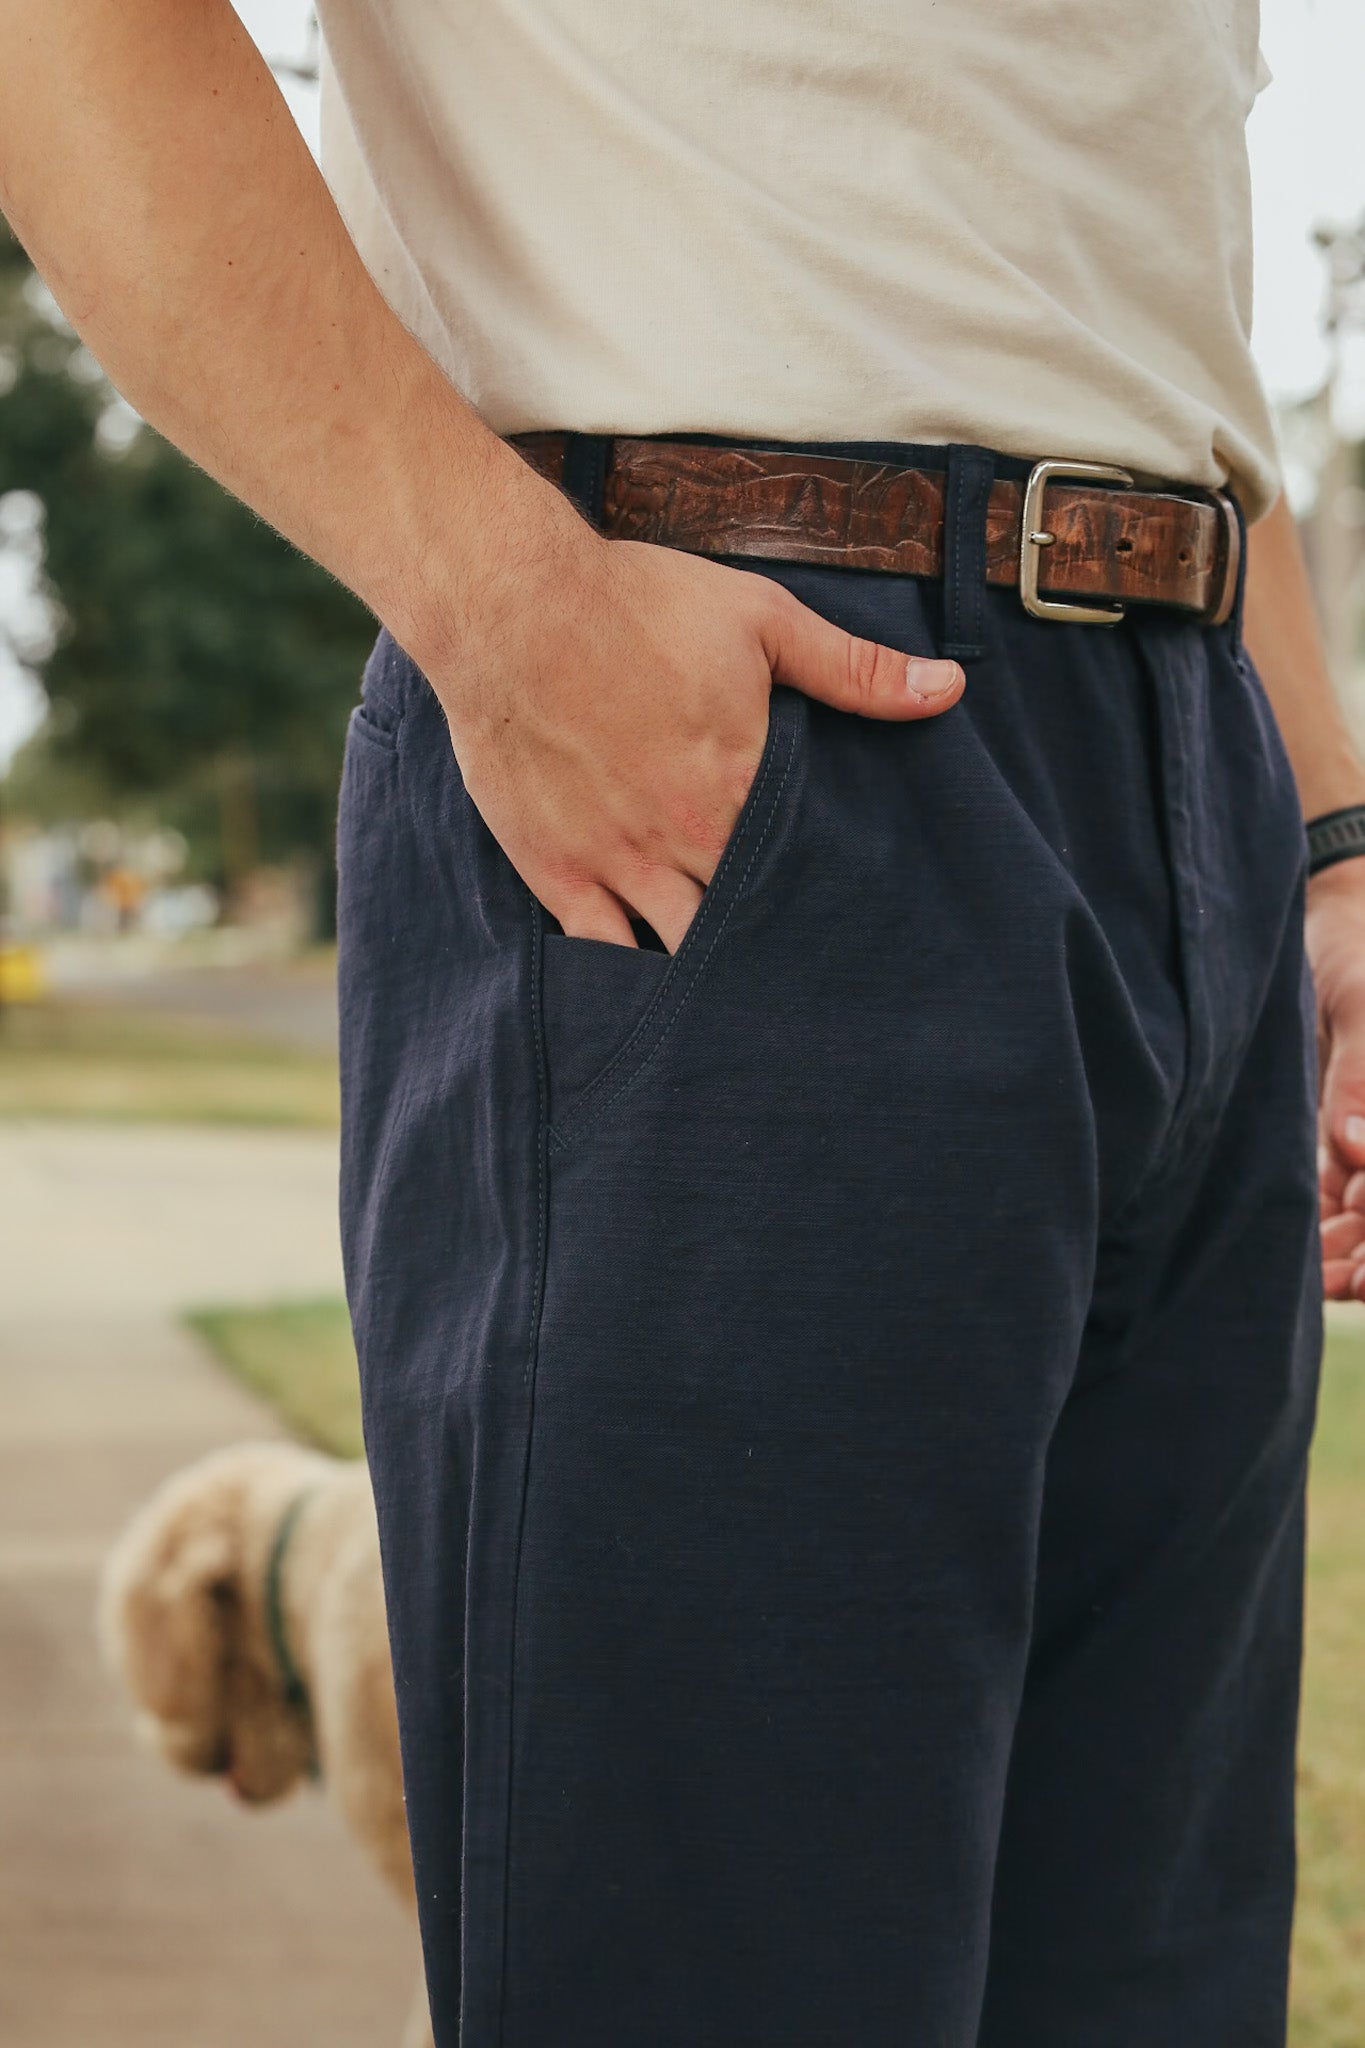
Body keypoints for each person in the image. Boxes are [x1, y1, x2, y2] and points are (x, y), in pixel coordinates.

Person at [5, 5, 1365, 2042]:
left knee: (1139, 1983)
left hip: (1192, 762)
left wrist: (1325, 839)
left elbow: (1104, 250)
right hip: (737, 727)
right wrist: (497, 603)